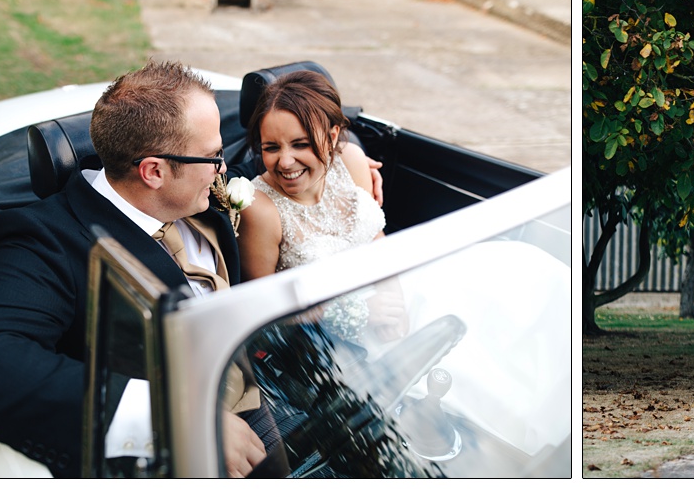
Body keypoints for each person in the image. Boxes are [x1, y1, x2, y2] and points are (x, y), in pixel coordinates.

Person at [0, 61, 277, 478]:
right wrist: (174, 419)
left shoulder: (194, 186)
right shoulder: (45, 241)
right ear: (153, 171)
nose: (224, 169)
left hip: (252, 395)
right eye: (213, 156)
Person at [236, 70, 570, 458]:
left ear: (330, 137)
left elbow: (376, 239)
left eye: (300, 144)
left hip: (398, 286)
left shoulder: (353, 160)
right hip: (339, 332)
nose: (285, 161)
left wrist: (390, 295)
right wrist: (358, 311)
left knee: (530, 277)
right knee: (471, 364)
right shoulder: (262, 210)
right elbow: (263, 313)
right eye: (270, 147)